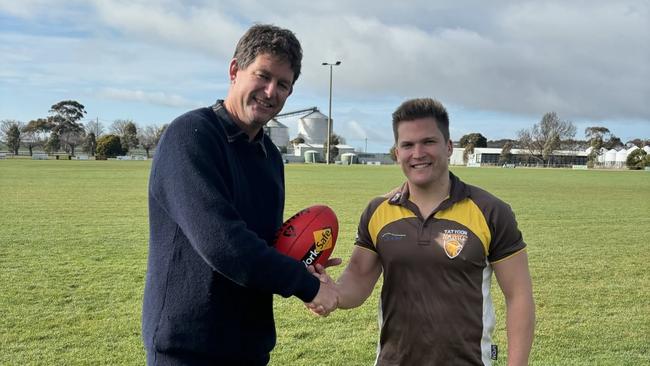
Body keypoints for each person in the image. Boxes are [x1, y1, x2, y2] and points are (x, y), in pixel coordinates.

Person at [142, 24, 339, 365]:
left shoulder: (270, 157)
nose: (270, 91)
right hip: (189, 350)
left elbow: (259, 243)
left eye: (283, 85)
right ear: (235, 71)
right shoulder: (191, 136)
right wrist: (306, 287)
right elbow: (223, 244)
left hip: (250, 347)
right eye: (262, 76)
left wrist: (301, 264)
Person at [314, 98, 535, 365]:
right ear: (397, 153)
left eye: (428, 142)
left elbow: (519, 296)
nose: (417, 153)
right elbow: (359, 278)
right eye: (407, 145)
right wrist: (332, 293)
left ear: (449, 147)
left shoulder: (491, 211)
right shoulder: (378, 210)